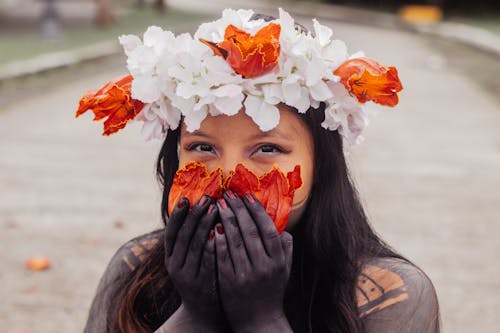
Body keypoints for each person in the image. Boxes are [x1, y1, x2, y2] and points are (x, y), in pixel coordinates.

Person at [77, 9, 440, 333]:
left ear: (322, 167)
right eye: (203, 147)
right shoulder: (137, 270)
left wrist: (260, 320)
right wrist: (196, 315)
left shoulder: (392, 294)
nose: (230, 177)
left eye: (268, 149)